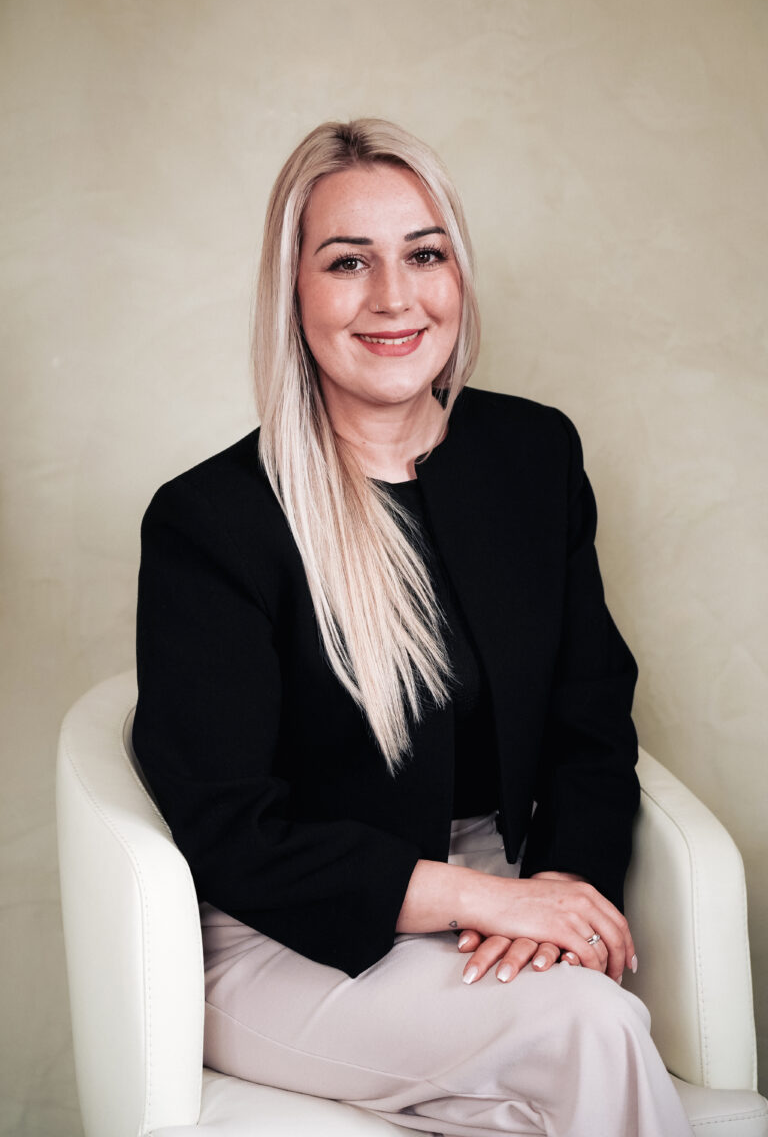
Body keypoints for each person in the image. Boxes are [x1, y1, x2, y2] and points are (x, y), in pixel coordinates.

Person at [133, 118, 694, 1136]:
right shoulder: (211, 521)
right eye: (348, 262)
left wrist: (561, 889)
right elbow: (229, 829)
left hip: (498, 889)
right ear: (292, 290)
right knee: (592, 1027)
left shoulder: (534, 454)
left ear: (458, 274)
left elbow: (591, 721)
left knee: (564, 1059)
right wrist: (476, 902)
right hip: (285, 939)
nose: (395, 297)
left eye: (424, 255)